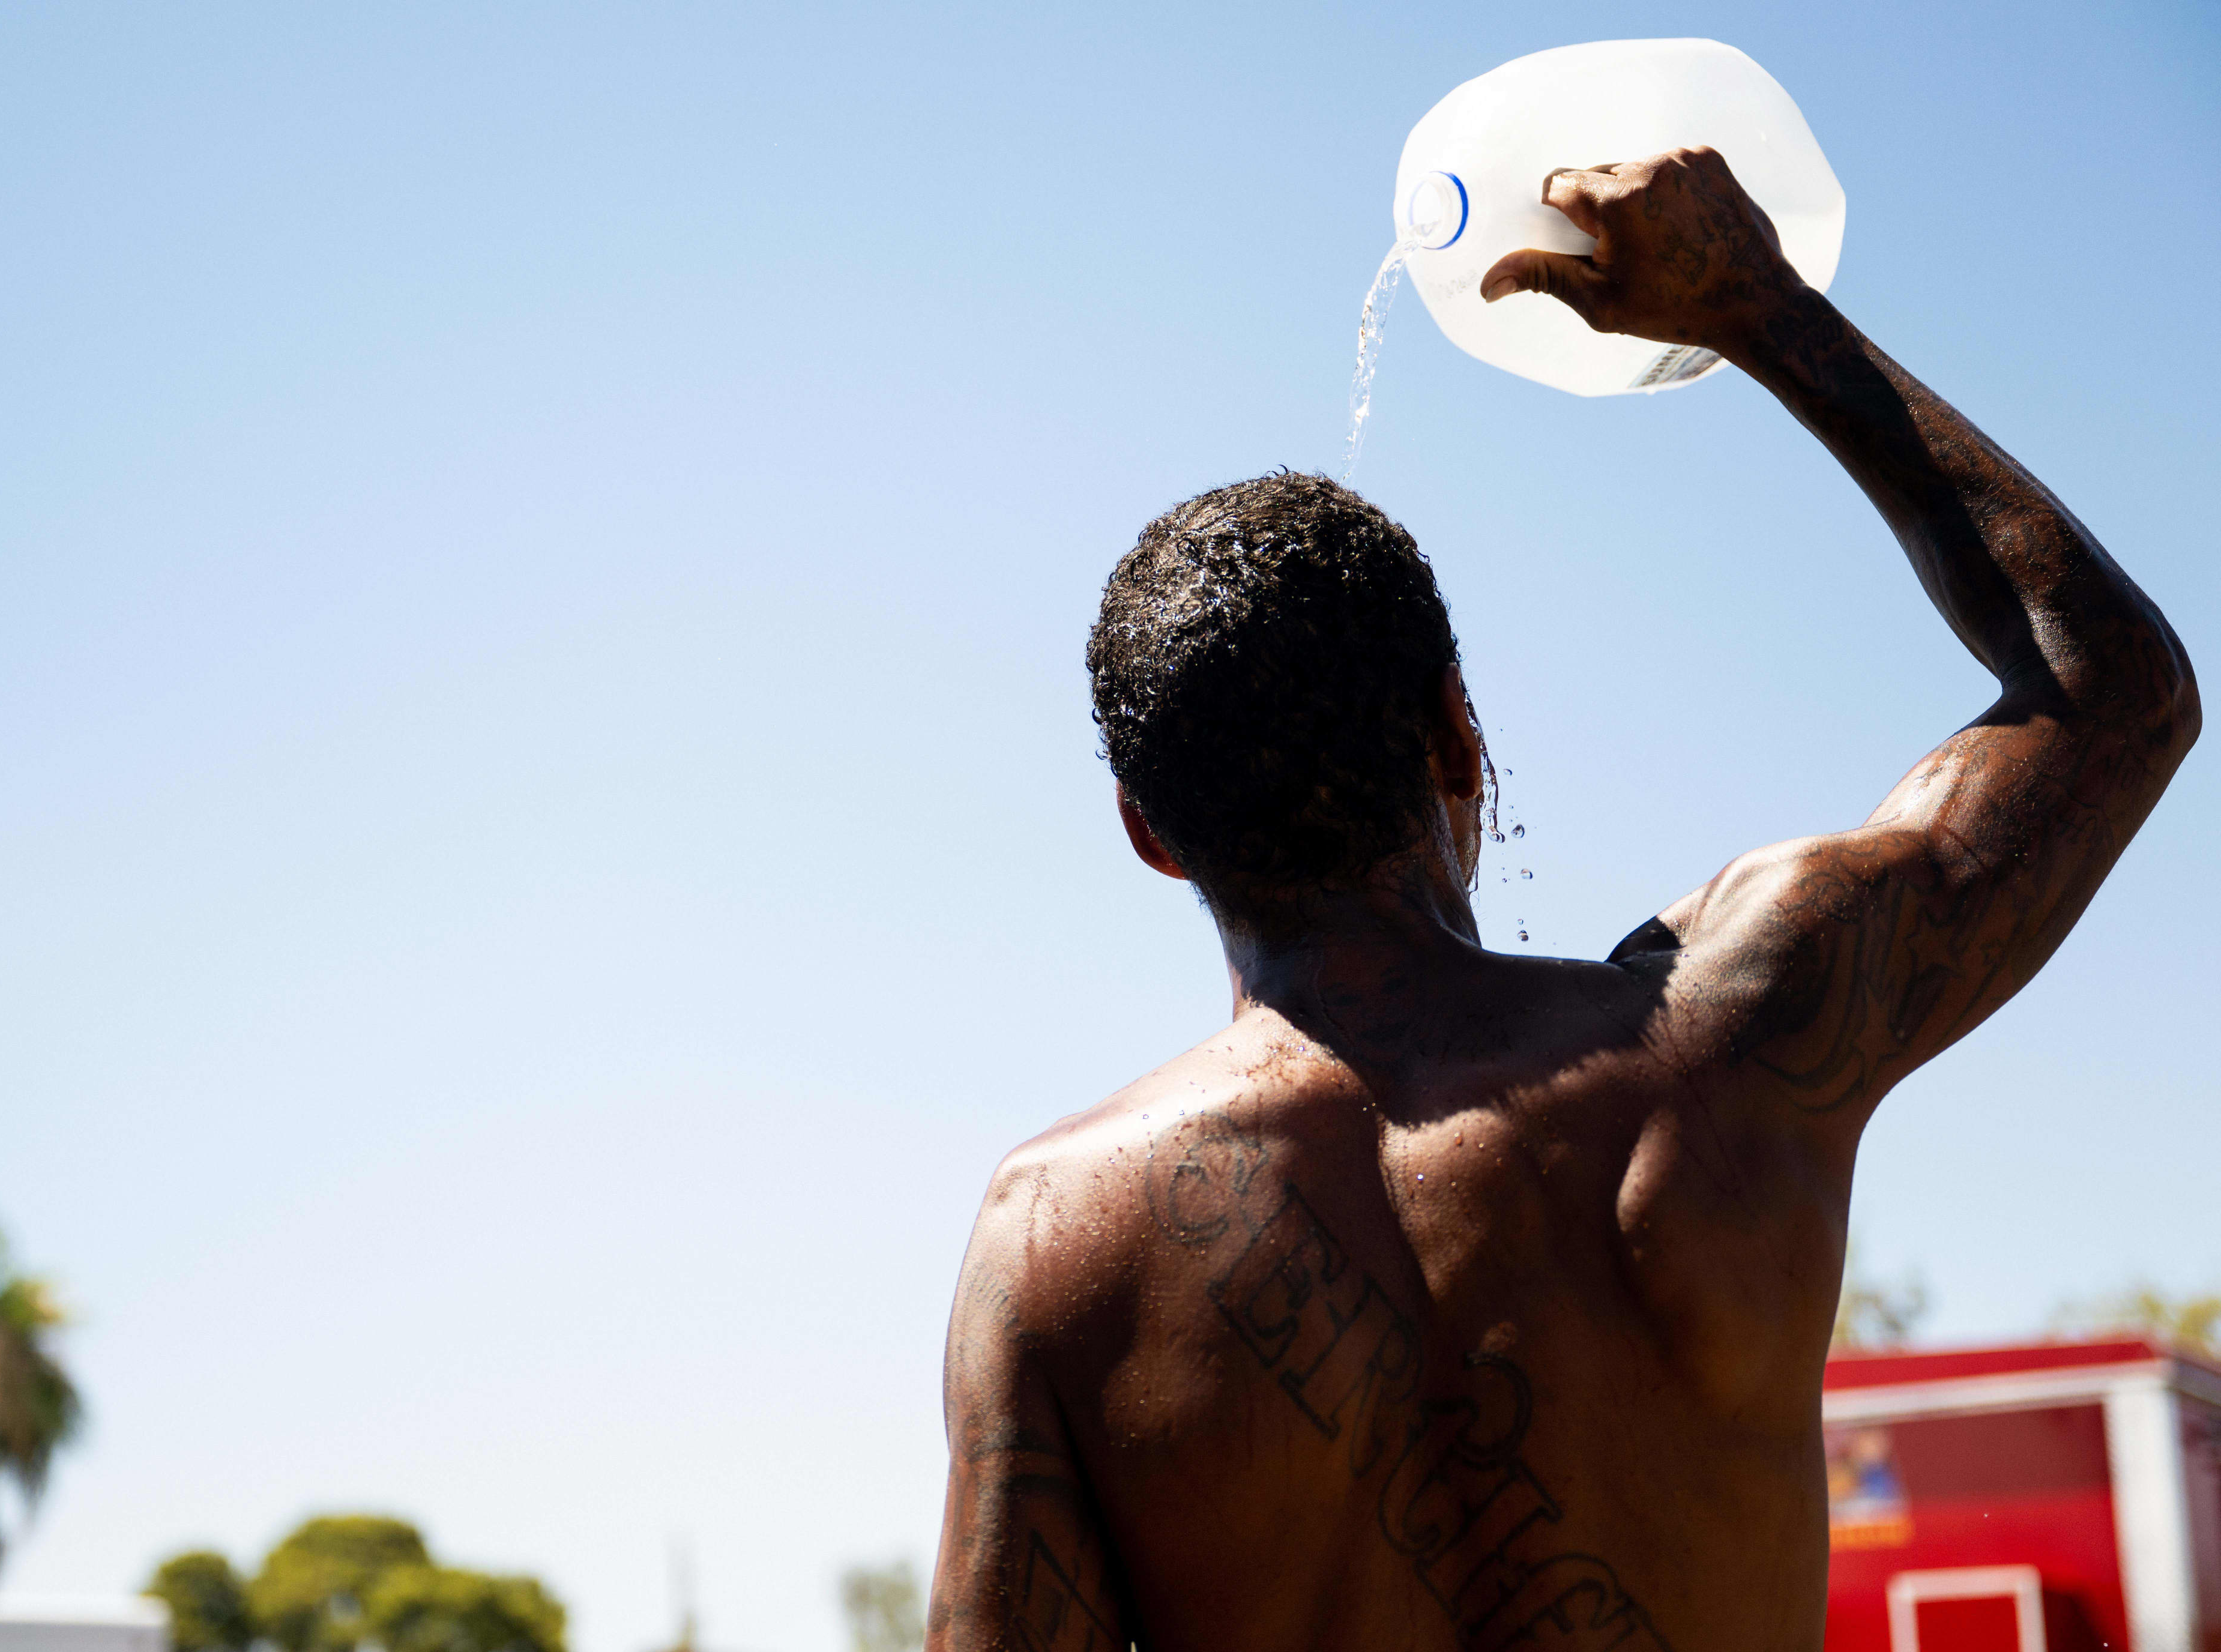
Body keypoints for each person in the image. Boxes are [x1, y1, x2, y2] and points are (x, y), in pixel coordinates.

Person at [923, 148, 2197, 1651]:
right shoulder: (1726, 1042)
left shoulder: (1056, 1245)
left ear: (1151, 834)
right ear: (1461, 733)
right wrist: (1761, 309)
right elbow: (2111, 692)